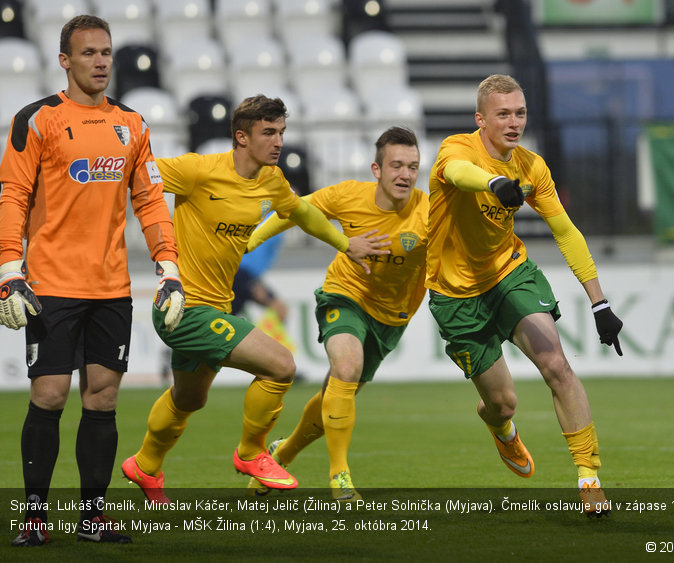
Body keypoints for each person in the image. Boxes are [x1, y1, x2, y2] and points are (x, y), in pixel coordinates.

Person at [120, 94, 391, 505]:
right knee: (281, 366)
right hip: (181, 307)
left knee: (189, 398)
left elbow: (302, 213)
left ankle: (145, 464)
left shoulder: (272, 181)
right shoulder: (197, 170)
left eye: (281, 132)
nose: (278, 141)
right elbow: (133, 174)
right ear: (241, 137)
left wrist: (344, 242)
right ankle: (251, 452)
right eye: (269, 132)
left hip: (217, 306)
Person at [0, 15, 185, 546]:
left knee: (102, 400)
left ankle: (93, 516)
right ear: (65, 60)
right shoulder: (36, 121)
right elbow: (12, 196)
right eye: (88, 54)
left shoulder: (133, 124)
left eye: (106, 53)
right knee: (51, 396)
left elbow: (150, 199)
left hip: (111, 287)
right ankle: (35, 516)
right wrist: (10, 269)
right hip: (53, 283)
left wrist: (168, 266)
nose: (101, 62)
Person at [426, 74, 623, 517]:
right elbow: (460, 174)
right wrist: (493, 185)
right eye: (503, 114)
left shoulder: (532, 167)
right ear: (482, 119)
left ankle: (589, 480)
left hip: (509, 275)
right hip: (455, 293)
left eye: (520, 113)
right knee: (502, 402)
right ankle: (501, 427)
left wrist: (600, 302)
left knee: (557, 364)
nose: (514, 122)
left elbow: (566, 232)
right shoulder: (455, 149)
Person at [244, 126, 427, 501]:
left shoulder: (430, 211)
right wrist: (252, 240)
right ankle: (340, 478)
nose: (405, 175)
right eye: (396, 165)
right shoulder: (348, 195)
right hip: (344, 296)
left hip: (391, 317)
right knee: (346, 368)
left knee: (336, 391)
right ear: (376, 169)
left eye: (412, 166)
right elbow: (296, 211)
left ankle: (285, 451)